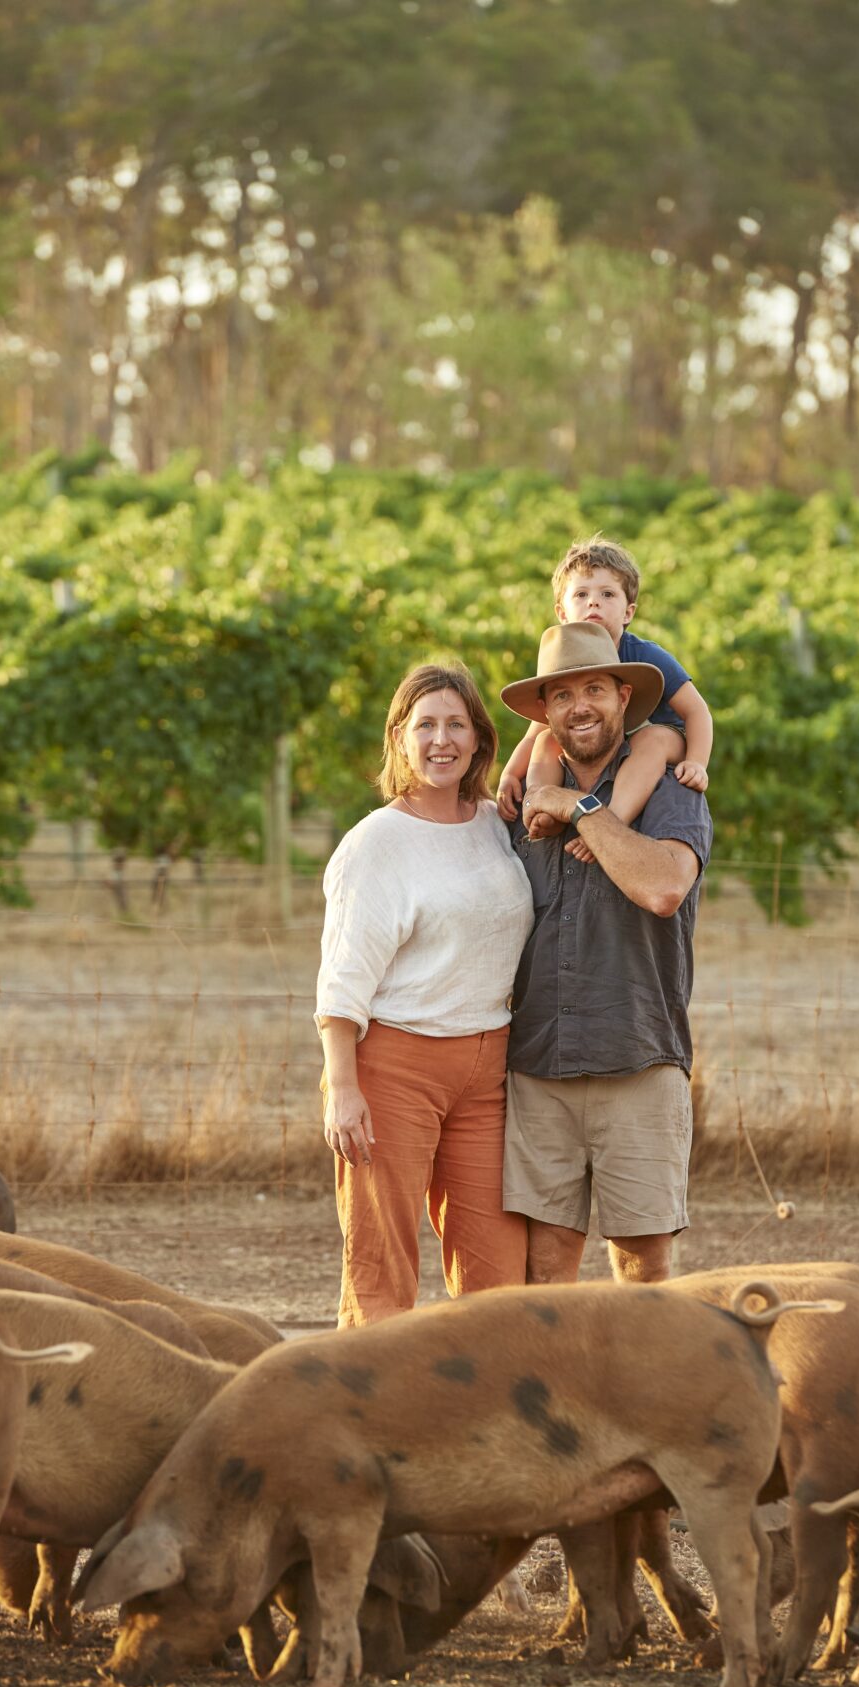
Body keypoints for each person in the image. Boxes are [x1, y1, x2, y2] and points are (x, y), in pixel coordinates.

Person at [315, 663, 534, 1328]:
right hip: (393, 1069)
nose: (442, 740)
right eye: (426, 725)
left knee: (498, 1274)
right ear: (400, 740)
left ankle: (486, 1416)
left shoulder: (499, 826)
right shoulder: (376, 843)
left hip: (488, 1070)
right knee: (383, 1269)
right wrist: (344, 1087)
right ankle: (366, 1413)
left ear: (478, 741)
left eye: (456, 725)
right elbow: (343, 977)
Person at [498, 620, 713, 1286]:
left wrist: (577, 806)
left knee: (642, 1265)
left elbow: (663, 887)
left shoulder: (672, 785)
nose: (579, 706)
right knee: (546, 1262)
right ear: (546, 713)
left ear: (624, 696)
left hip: (638, 1055)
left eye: (594, 688)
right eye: (561, 695)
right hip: (538, 1065)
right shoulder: (518, 806)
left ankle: (640, 1392)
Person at [497, 536, 713, 861]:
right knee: (547, 741)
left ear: (628, 612)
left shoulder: (645, 654)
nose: (593, 603)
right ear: (562, 612)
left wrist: (696, 762)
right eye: (581, 595)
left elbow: (697, 712)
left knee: (650, 739)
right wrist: (510, 774)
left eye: (607, 594)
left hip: (665, 736)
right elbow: (536, 730)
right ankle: (543, 810)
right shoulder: (564, 659)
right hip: (601, 737)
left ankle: (610, 821)